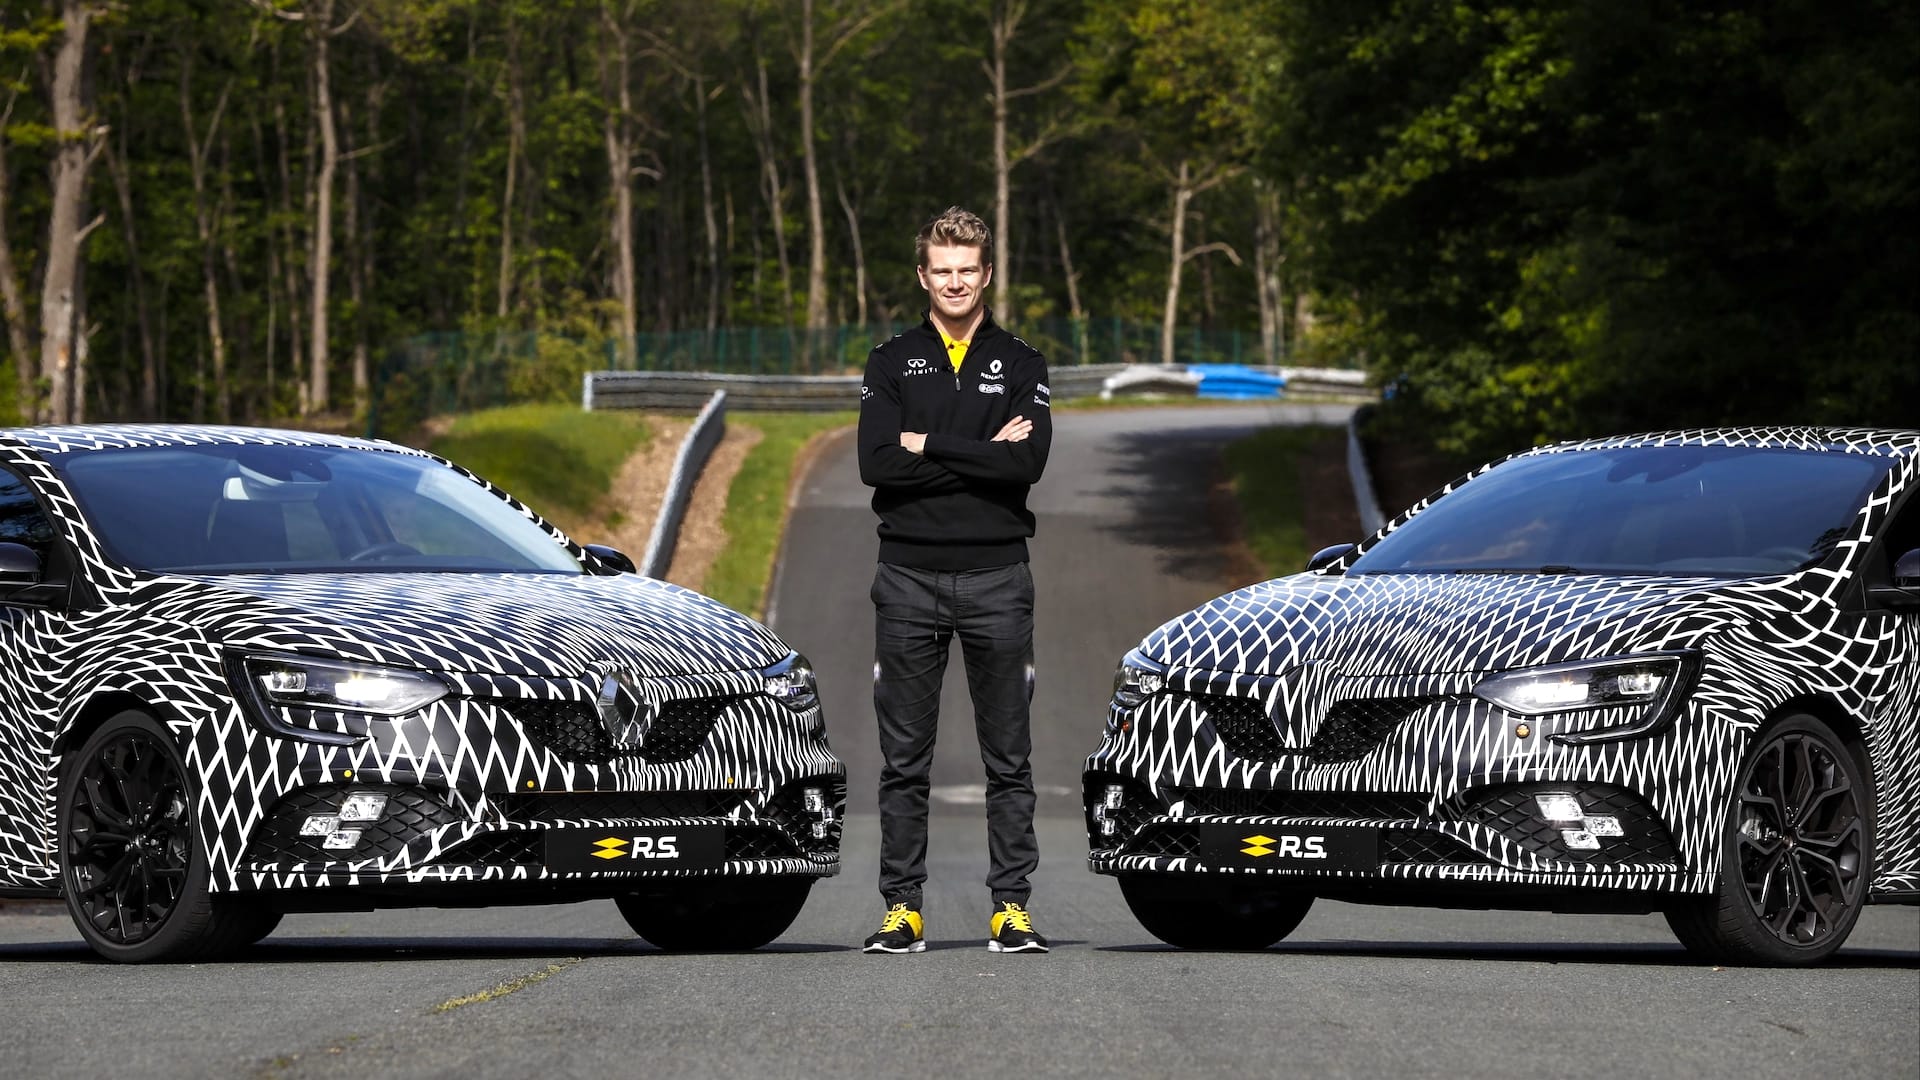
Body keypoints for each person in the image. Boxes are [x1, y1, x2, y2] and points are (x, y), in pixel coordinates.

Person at [856, 206, 1052, 954]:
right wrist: (980, 450)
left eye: (967, 269)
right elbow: (877, 464)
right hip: (907, 578)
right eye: (942, 270)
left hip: (999, 577)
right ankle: (902, 911)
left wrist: (926, 444)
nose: (955, 282)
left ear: (987, 274)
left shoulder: (1024, 361)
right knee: (904, 761)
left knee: (1010, 759)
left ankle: (1012, 909)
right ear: (923, 277)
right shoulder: (890, 360)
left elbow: (1026, 464)